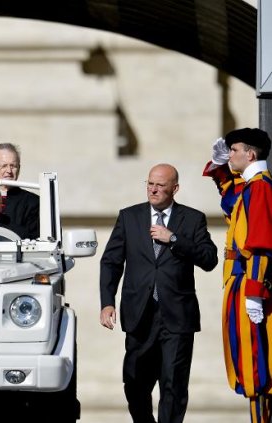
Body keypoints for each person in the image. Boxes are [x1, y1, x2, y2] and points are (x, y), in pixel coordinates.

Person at [99, 163, 218, 423]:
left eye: (160, 185)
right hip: (139, 314)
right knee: (134, 382)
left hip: (177, 316)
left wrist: (174, 239)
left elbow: (210, 259)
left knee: (173, 384)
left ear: (174, 189)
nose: (153, 189)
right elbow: (111, 261)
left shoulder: (193, 218)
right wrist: (107, 302)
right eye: (150, 183)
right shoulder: (129, 216)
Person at [202, 128, 272, 423]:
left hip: (249, 284)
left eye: (234, 151)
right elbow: (231, 200)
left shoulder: (260, 187)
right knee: (246, 361)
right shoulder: (250, 186)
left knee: (255, 363)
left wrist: (255, 291)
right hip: (240, 283)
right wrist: (221, 168)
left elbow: (260, 243)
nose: (229, 155)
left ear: (250, 154)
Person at [0, 143, 40, 239]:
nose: (9, 171)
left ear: (19, 168)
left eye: (13, 166)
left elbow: (34, 237)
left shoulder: (33, 202)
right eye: (4, 166)